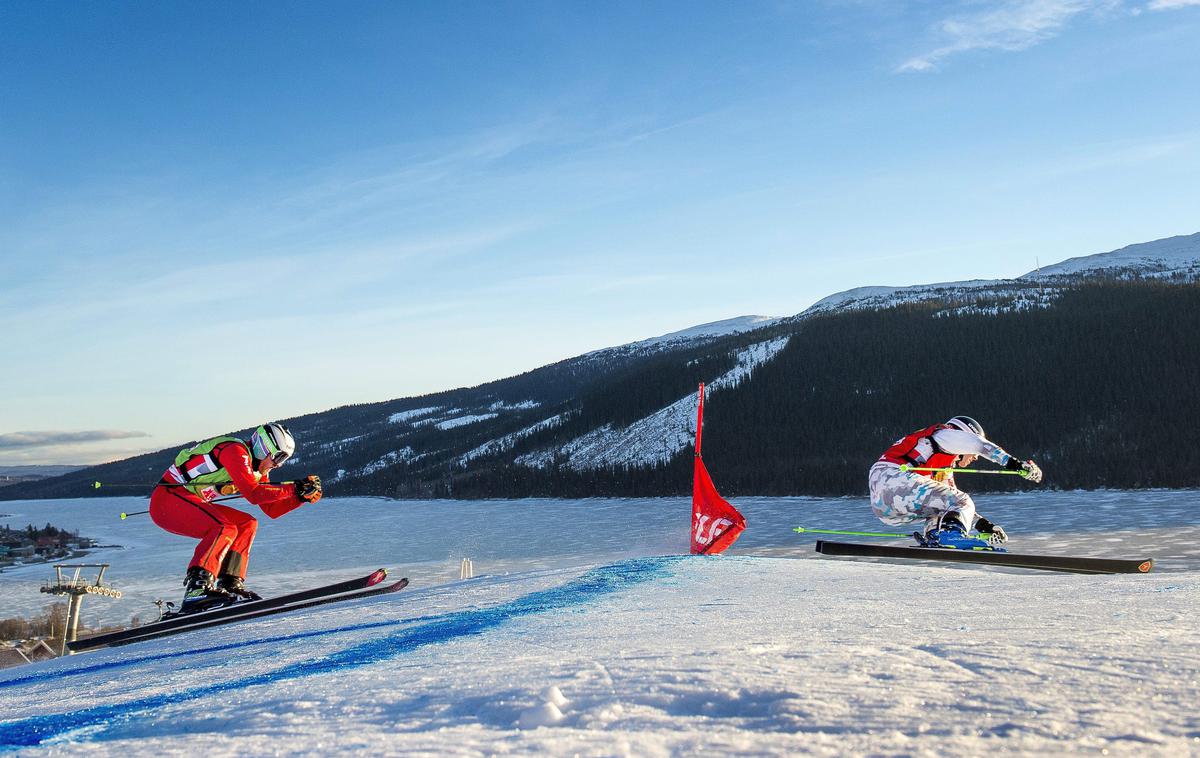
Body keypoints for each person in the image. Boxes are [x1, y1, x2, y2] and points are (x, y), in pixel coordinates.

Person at [149, 423, 323, 612]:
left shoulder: (256, 471)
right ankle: (197, 589)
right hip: (167, 499)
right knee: (224, 527)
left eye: (284, 459)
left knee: (246, 524)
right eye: (279, 456)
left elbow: (271, 509)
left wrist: (299, 498)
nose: (278, 464)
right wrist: (294, 488)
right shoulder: (235, 451)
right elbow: (253, 493)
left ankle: (230, 583)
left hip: (184, 500)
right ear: (264, 448)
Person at [869, 416, 1042, 548]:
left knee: (946, 508)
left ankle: (937, 535)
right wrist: (1017, 465)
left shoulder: (944, 467)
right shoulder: (945, 435)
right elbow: (979, 444)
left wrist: (984, 526)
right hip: (892, 477)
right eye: (973, 454)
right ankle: (950, 536)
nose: (975, 457)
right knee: (962, 500)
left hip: (886, 506)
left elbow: (953, 506)